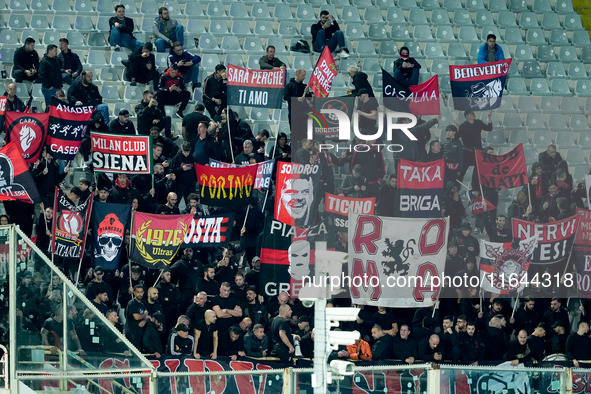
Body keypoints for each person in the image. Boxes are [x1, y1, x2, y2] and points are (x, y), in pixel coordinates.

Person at [457, 110, 493, 182]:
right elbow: (457, 136)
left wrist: (489, 117)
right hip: (468, 152)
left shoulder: (478, 123)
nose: (474, 114)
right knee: (462, 171)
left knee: (478, 172)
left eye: (473, 113)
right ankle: (457, 187)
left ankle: (477, 188)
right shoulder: (463, 126)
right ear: (467, 116)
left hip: (478, 151)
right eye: (471, 113)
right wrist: (457, 127)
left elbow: (489, 128)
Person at [38, 45, 62, 109]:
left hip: (56, 87)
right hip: (49, 88)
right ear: (50, 51)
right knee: (50, 107)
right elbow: (41, 75)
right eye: (55, 50)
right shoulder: (44, 62)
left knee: (56, 107)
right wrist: (48, 86)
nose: (56, 52)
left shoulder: (55, 60)